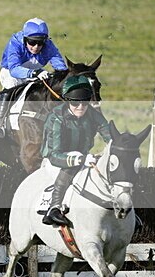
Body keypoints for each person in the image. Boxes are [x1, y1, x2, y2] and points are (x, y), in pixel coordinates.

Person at [41, 75, 112, 226]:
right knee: (72, 165)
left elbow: (108, 133)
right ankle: (54, 208)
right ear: (67, 101)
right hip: (56, 161)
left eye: (85, 103)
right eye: (75, 103)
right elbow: (54, 155)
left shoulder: (92, 114)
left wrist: (116, 146)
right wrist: (80, 159)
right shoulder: (56, 118)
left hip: (83, 158)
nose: (80, 107)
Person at [0, 18, 67, 138]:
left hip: (35, 73)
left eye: (40, 43)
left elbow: (60, 67)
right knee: (11, 83)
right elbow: (14, 69)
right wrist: (34, 73)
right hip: (11, 72)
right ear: (25, 39)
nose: (36, 47)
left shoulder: (49, 45)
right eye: (32, 42)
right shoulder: (15, 42)